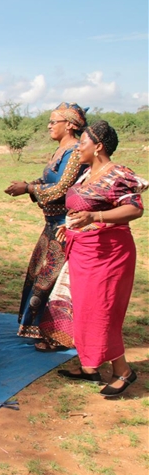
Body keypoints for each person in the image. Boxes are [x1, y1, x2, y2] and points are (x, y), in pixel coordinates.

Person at [56, 121, 146, 397]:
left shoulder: (117, 173)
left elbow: (134, 208)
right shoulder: (86, 174)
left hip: (108, 255)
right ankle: (89, 366)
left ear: (98, 147)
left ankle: (124, 371)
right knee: (83, 309)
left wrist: (96, 217)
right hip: (84, 251)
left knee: (102, 312)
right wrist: (69, 226)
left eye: (82, 142)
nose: (78, 148)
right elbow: (80, 208)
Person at [5, 103, 88, 350]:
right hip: (50, 223)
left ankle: (56, 335)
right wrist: (28, 184)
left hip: (64, 225)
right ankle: (36, 327)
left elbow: (63, 188)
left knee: (52, 279)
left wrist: (29, 189)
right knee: (39, 274)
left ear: (70, 125)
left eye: (54, 122)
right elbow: (48, 181)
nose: (49, 126)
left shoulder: (74, 152)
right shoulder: (60, 150)